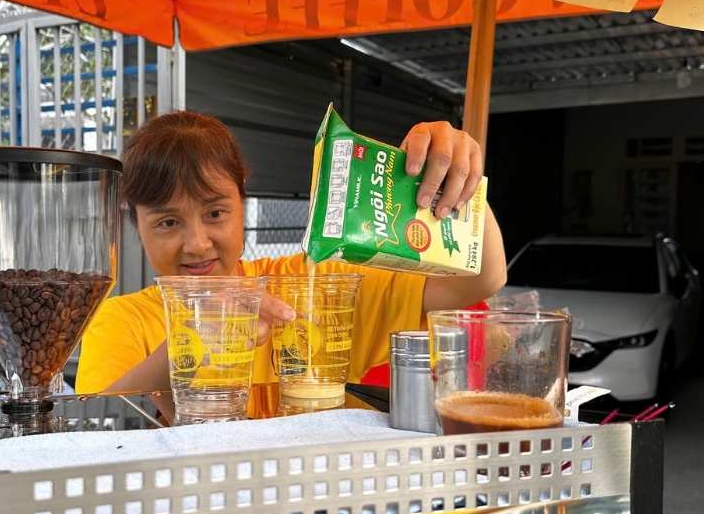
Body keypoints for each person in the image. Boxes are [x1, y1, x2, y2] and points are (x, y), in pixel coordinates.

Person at [75, 111, 507, 420]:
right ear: (136, 226)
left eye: (216, 213)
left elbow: (481, 278)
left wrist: (457, 182)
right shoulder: (122, 321)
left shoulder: (317, 284)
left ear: (242, 204)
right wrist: (187, 340)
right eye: (168, 222)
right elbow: (92, 429)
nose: (198, 243)